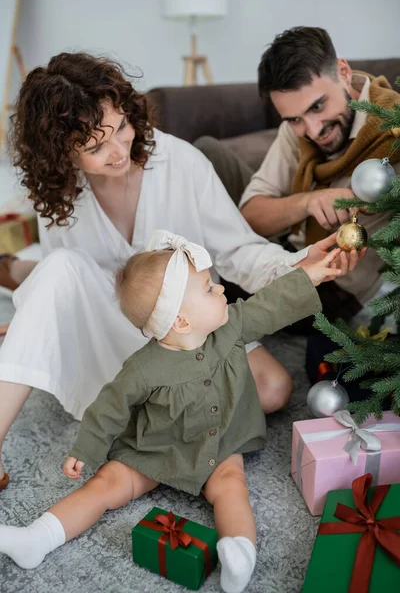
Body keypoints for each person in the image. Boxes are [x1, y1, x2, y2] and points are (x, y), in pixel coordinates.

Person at [0, 52, 360, 492]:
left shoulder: (180, 161)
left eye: (121, 129)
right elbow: (71, 282)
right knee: (55, 268)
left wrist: (296, 265)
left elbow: (236, 249)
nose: (117, 152)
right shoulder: (57, 195)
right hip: (117, 328)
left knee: (272, 389)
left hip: (189, 328)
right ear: (62, 154)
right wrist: (35, 320)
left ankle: (14, 272)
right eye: (95, 147)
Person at [0, 229, 342, 593]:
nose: (222, 290)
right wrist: (85, 449)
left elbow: (272, 303)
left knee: (231, 486)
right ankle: (38, 537)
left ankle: (240, 551)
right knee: (107, 483)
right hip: (157, 448)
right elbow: (109, 407)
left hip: (220, 442)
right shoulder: (143, 368)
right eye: (210, 288)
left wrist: (310, 274)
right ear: (181, 321)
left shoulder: (233, 326)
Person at [194, 26, 399, 325]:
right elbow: (250, 216)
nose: (314, 131)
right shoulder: (298, 131)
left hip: (331, 290)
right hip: (286, 248)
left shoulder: (391, 132)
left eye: (318, 106)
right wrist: (308, 201)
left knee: (209, 287)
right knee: (207, 151)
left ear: (343, 71)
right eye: (295, 119)